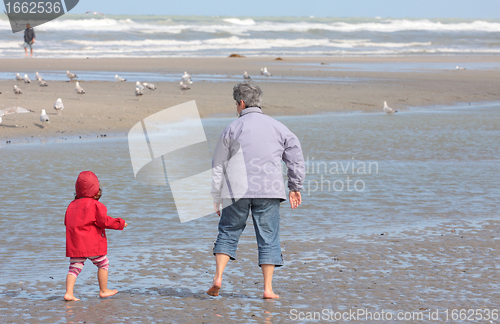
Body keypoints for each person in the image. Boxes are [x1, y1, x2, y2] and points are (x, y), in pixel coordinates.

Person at [207, 81, 305, 299]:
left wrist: (216, 194)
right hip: (269, 191)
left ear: (241, 103)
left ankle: (218, 277)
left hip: (236, 191)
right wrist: (295, 186)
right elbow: (295, 156)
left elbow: (218, 163)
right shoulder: (278, 127)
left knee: (228, 231)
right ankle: (268, 289)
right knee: (268, 237)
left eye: (236, 103)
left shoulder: (233, 127)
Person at [64, 171, 128, 301]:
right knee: (103, 264)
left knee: (74, 268)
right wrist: (120, 223)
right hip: (92, 245)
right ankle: (103, 290)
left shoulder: (71, 205)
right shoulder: (96, 205)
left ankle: (69, 293)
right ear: (96, 190)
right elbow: (104, 221)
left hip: (76, 244)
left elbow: (66, 222)